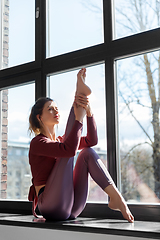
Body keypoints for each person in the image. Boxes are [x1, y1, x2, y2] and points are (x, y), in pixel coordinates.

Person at [28, 68, 134, 223]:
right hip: (50, 205)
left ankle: (116, 198)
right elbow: (69, 150)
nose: (56, 111)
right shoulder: (38, 143)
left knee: (87, 152)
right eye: (50, 109)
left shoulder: (60, 141)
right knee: (67, 150)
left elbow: (92, 141)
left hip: (71, 207)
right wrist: (78, 120)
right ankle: (79, 93)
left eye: (57, 108)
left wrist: (89, 114)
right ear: (40, 117)